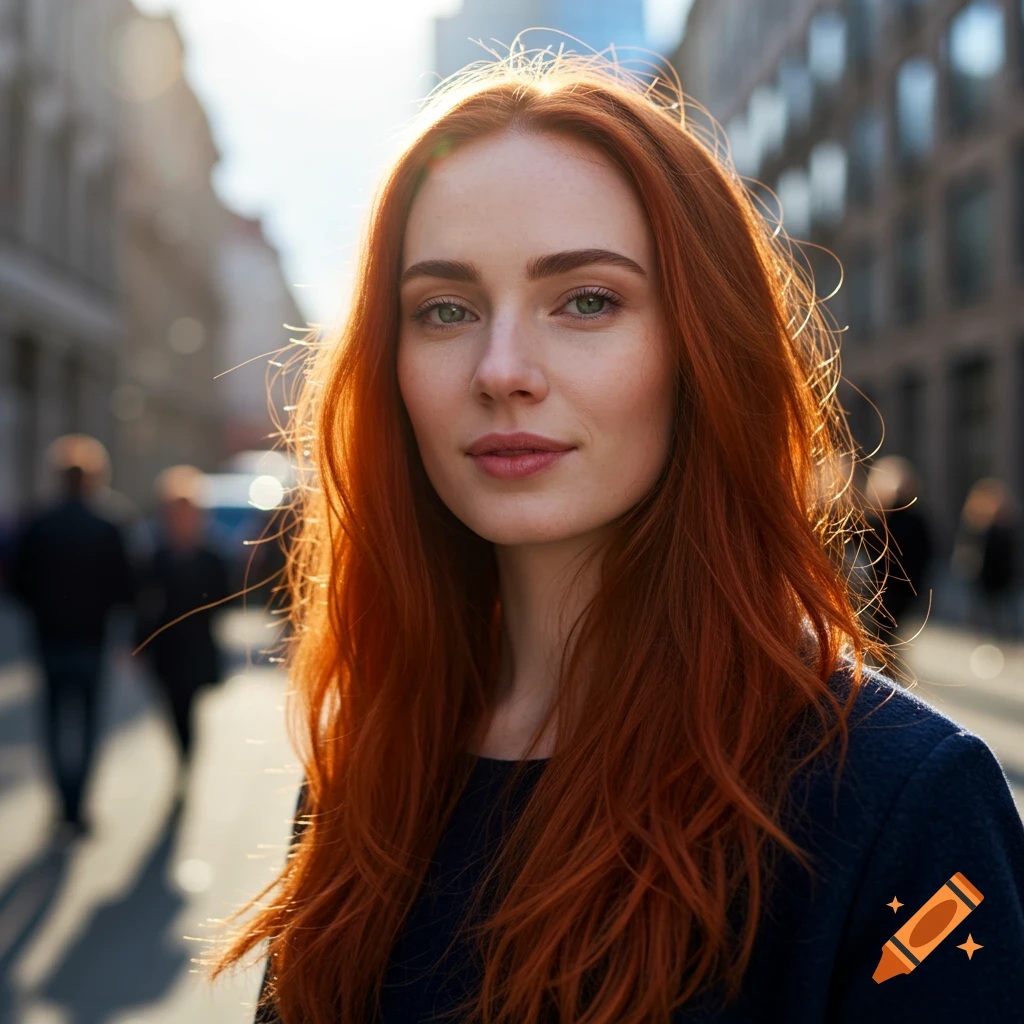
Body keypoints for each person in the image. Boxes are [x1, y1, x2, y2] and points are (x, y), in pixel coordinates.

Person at [208, 54, 1024, 1023]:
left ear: (702, 350)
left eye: (586, 299)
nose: (501, 368)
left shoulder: (900, 805)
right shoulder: (375, 757)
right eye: (444, 310)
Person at [10, 435, 135, 836]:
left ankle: (62, 803)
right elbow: (127, 585)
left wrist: (42, 608)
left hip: (50, 637)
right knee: (88, 723)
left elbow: (15, 579)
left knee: (52, 721)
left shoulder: (39, 523)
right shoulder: (109, 524)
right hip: (92, 638)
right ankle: (78, 805)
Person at [134, 465, 231, 791]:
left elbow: (225, 599)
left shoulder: (210, 555)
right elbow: (142, 602)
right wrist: (137, 643)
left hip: (198, 644)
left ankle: (186, 761)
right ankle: (182, 755)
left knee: (188, 705)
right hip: (166, 647)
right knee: (173, 707)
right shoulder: (157, 556)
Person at [861, 456, 935, 637]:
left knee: (885, 638)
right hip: (881, 591)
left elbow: (924, 554)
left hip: (895, 591)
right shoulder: (875, 518)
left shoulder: (911, 519)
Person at [952, 478, 1020, 640]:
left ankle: (1002, 638)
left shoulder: (1006, 526)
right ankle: (985, 639)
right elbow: (966, 550)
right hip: (981, 577)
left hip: (1002, 578)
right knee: (982, 615)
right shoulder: (976, 525)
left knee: (1002, 614)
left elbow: (1011, 553)